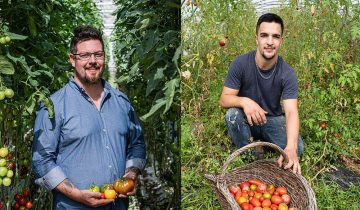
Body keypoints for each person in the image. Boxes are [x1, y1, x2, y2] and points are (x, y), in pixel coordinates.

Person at [32, 25, 146, 209]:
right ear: (72, 59)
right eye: (84, 55)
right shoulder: (54, 105)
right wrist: (76, 195)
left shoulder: (121, 102)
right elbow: (42, 160)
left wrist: (132, 173)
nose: (92, 61)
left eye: (98, 54)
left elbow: (137, 143)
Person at [220, 13, 303, 174]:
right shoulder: (240, 63)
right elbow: (224, 99)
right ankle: (251, 158)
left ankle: (265, 144)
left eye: (275, 37)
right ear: (256, 38)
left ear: (281, 41)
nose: (270, 42)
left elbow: (292, 111)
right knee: (232, 115)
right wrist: (245, 101)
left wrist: (291, 147)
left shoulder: (287, 73)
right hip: (247, 119)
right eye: (264, 35)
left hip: (272, 120)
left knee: (297, 148)